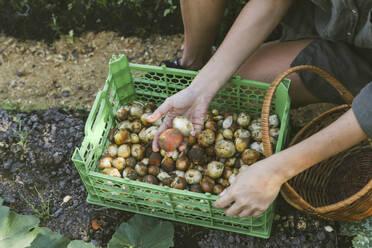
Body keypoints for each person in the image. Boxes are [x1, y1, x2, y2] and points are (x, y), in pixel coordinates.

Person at [147, 0, 372, 218]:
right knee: (232, 86)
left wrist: (278, 170)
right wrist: (201, 88)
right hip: (333, 34)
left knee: (237, 89)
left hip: (365, 65)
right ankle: (194, 65)